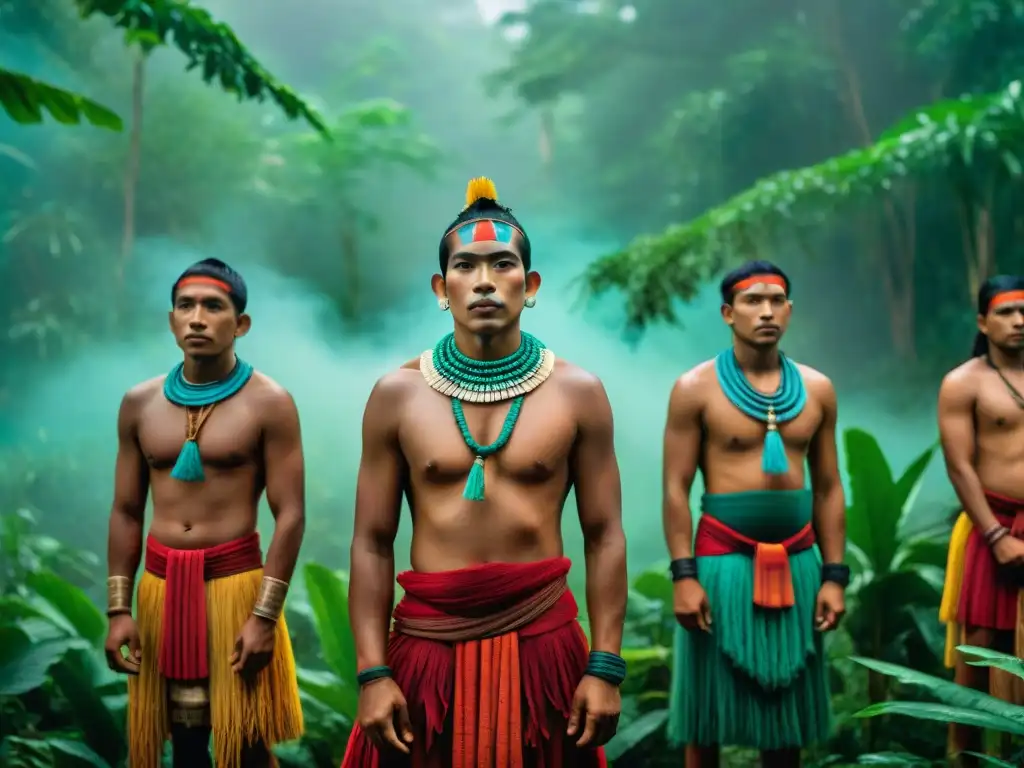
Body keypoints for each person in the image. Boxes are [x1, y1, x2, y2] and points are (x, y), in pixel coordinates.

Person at [340, 177, 628, 767]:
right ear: (441, 289)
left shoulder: (579, 393)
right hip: (427, 649)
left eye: (503, 263)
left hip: (544, 645)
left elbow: (604, 536)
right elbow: (372, 542)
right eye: (466, 266)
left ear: (532, 283)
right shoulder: (397, 395)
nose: (486, 280)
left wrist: (605, 667)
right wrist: (372, 672)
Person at [103, 258, 305, 768]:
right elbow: (127, 510)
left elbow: (291, 515)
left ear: (240, 324)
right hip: (161, 591)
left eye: (213, 306)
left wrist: (264, 616)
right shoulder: (139, 404)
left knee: (247, 745)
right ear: (171, 320)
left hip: (236, 590)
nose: (197, 318)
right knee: (185, 744)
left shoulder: (270, 403)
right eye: (185, 306)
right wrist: (119, 610)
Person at [662, 261, 847, 768]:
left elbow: (829, 488)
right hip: (721, 562)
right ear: (727, 312)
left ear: (789, 310)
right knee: (705, 716)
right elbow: (675, 490)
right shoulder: (694, 389)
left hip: (799, 562)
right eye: (751, 301)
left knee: (785, 710)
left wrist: (834, 575)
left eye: (776, 300)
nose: (765, 311)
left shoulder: (818, 389)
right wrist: (684, 575)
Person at [937, 274, 1024, 765]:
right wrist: (994, 535)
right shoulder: (964, 382)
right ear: (982, 321)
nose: (1018, 321)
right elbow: (959, 465)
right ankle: (962, 755)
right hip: (991, 525)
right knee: (981, 645)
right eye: (1007, 312)